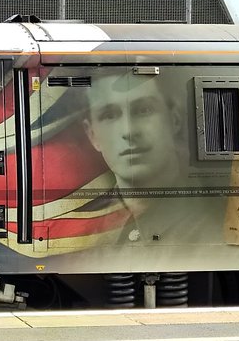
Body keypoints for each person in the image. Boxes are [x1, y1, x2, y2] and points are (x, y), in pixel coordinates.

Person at [80, 71, 226, 246]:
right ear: (92, 135)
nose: (128, 131)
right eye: (109, 115)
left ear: (174, 120)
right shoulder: (83, 234)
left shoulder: (223, 224)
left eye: (144, 110)